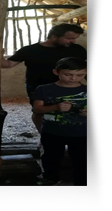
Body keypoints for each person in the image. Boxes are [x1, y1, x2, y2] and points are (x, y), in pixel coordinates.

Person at [1, 23, 87, 139]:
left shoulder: (77, 50)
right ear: (54, 37)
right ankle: (45, 137)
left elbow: (84, 67)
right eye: (69, 38)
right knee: (39, 112)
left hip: (70, 87)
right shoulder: (30, 50)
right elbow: (8, 64)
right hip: (38, 87)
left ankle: (70, 136)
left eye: (74, 38)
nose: (73, 41)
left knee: (74, 111)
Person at [32, 57, 87, 186]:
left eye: (80, 75)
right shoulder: (44, 89)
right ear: (56, 72)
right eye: (68, 74)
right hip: (53, 132)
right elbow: (37, 109)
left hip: (82, 133)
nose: (73, 78)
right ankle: (50, 179)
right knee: (51, 158)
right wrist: (55, 107)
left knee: (82, 159)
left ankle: (80, 181)